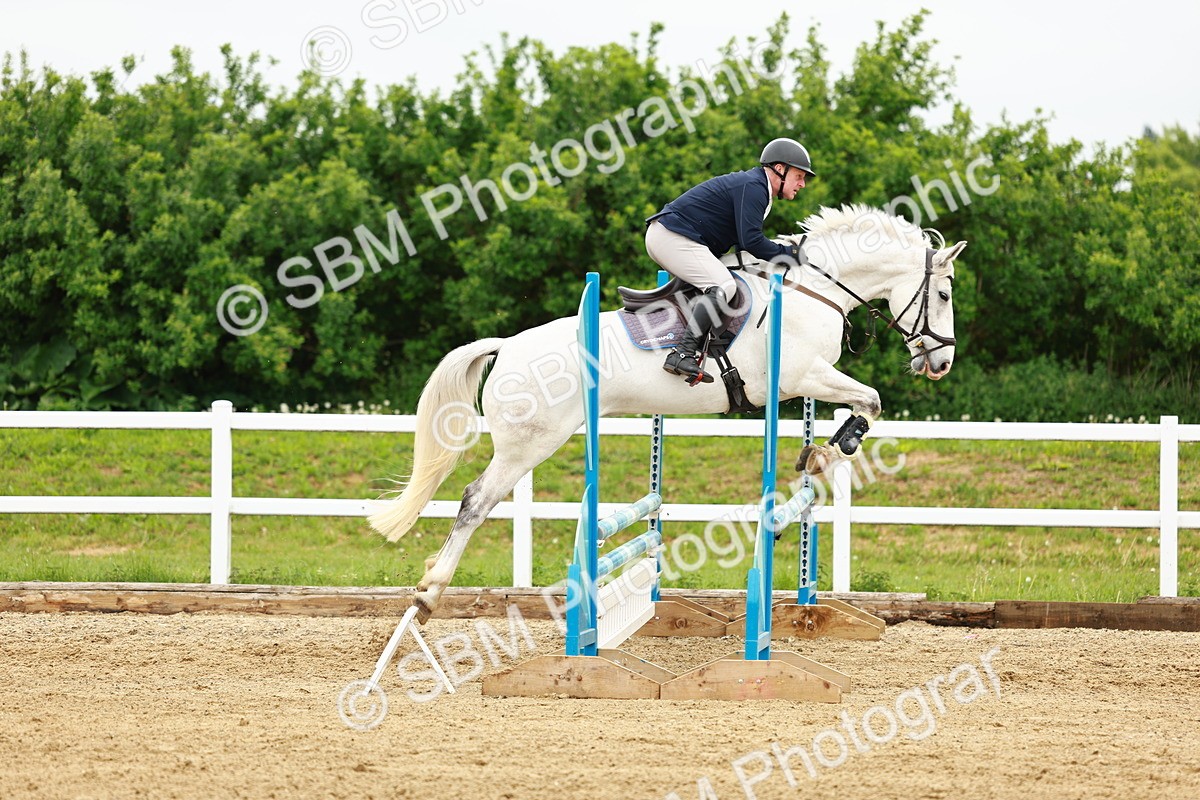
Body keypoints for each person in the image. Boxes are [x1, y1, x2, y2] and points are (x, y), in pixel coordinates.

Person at [645, 137, 815, 384]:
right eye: (799, 176)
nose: (802, 184)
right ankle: (682, 353)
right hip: (672, 237)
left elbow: (743, 248)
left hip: (676, 236)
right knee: (723, 286)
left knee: (729, 276)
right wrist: (788, 254)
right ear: (780, 169)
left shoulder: (757, 188)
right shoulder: (755, 187)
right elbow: (752, 242)